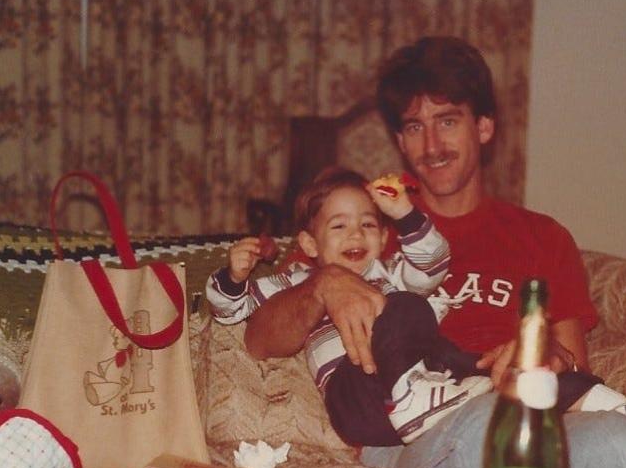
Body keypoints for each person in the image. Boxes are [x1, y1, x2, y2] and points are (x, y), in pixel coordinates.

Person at [244, 36, 626, 468]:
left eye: (448, 121)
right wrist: (323, 285)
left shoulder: (542, 237)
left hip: (517, 415)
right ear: (399, 140)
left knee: (623, 441)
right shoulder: (362, 233)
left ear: (484, 127)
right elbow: (259, 339)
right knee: (492, 429)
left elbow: (574, 362)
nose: (431, 146)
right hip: (408, 434)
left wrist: (540, 354)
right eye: (414, 127)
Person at [206, 166, 493, 446]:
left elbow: (433, 264)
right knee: (407, 305)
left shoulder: (390, 274)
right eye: (339, 226)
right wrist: (234, 277)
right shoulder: (297, 283)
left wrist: (405, 215)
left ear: (383, 238)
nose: (355, 234)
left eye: (367, 224)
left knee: (419, 315)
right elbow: (232, 310)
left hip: (411, 411)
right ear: (309, 244)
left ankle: (453, 383)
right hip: (355, 397)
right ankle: (409, 398)